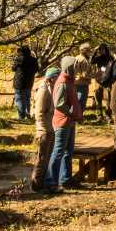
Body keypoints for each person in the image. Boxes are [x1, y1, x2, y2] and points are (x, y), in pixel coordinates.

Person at [45, 56, 83, 192]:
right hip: (62, 121)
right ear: (69, 67)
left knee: (68, 152)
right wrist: (72, 113)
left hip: (70, 121)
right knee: (59, 151)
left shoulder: (70, 80)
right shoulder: (62, 82)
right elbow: (59, 104)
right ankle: (50, 182)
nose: (76, 68)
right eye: (75, 66)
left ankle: (65, 180)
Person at [29, 65, 59, 192]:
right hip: (44, 129)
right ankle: (35, 185)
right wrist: (45, 129)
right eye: (57, 77)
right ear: (52, 78)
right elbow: (39, 113)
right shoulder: (43, 90)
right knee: (41, 158)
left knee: (46, 157)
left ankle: (41, 184)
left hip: (50, 128)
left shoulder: (50, 88)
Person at [11, 45, 39, 121]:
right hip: (29, 82)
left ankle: (21, 116)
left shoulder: (19, 59)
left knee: (19, 99)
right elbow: (37, 69)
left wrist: (15, 61)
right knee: (27, 98)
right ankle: (27, 113)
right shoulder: (34, 60)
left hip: (19, 82)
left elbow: (13, 68)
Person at [91, 44, 112, 121]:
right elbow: (91, 61)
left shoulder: (110, 58)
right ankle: (99, 116)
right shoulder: (98, 58)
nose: (101, 51)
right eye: (100, 49)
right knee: (98, 98)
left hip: (107, 81)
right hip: (98, 80)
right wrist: (94, 51)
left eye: (102, 49)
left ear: (106, 49)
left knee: (108, 99)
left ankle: (108, 116)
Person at [74, 43, 95, 113]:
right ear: (85, 51)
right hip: (82, 83)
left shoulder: (76, 58)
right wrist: (95, 75)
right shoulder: (84, 60)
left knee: (75, 100)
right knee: (81, 101)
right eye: (89, 50)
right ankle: (79, 117)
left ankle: (75, 115)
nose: (90, 52)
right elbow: (85, 75)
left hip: (75, 82)